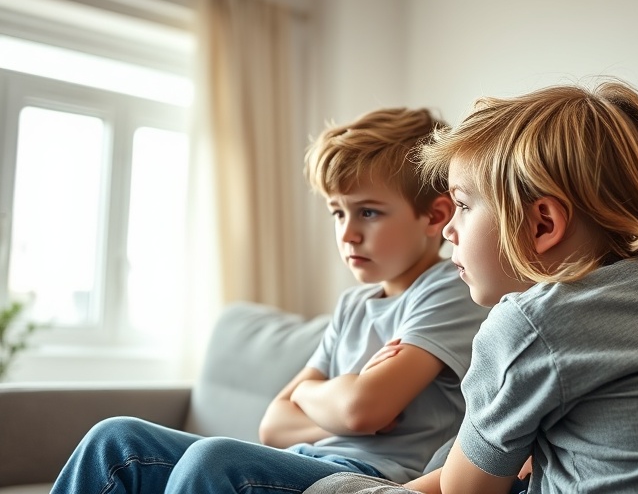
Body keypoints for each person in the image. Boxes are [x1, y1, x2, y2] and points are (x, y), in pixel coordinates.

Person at [304, 78, 638, 494]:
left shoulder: (532, 324)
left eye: (464, 206)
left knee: (311, 482)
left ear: (542, 223)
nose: (450, 230)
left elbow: (467, 491)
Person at [49, 107, 491, 494]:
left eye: (368, 212)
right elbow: (274, 424)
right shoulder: (353, 305)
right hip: (305, 460)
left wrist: (325, 398)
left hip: (367, 477)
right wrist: (338, 399)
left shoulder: (449, 287)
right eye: (338, 212)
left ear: (435, 216)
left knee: (215, 459)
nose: (348, 233)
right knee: (116, 439)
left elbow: (363, 409)